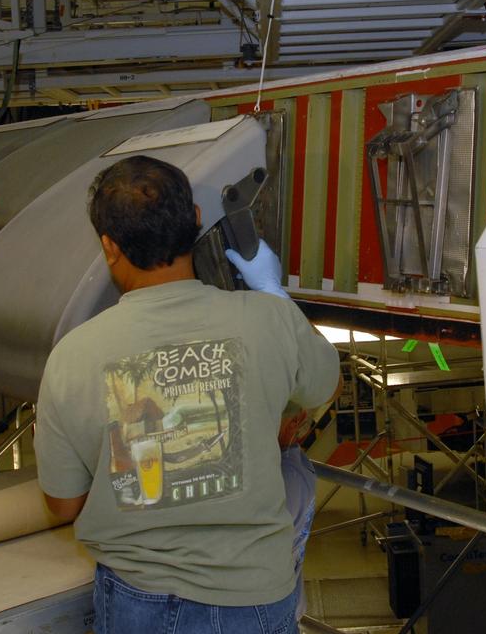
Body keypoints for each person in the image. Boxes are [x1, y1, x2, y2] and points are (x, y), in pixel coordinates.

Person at [35, 155, 340, 634]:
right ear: (196, 221)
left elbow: (64, 503)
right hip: (256, 597)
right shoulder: (267, 321)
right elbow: (326, 382)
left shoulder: (72, 356)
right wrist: (274, 294)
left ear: (110, 247)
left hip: (139, 602)